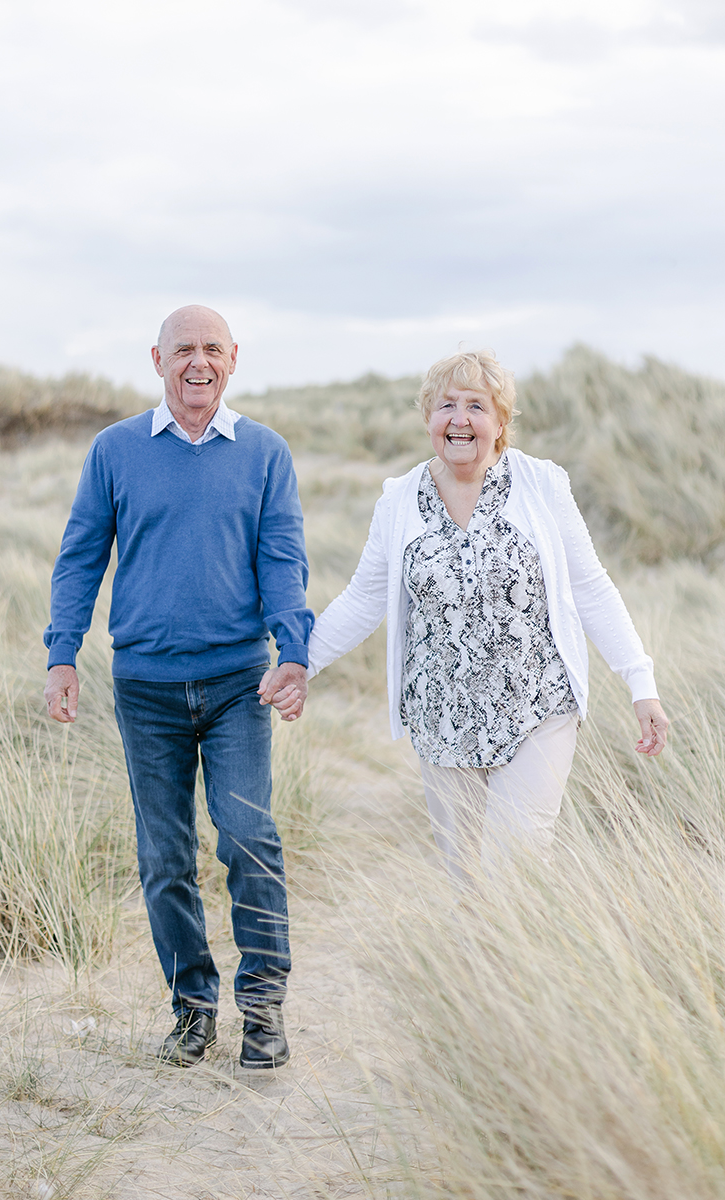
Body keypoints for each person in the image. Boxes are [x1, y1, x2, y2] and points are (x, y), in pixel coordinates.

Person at [44, 304, 312, 1069]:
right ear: (156, 360)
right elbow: (80, 558)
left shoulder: (264, 452)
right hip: (146, 686)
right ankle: (192, 1009)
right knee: (164, 857)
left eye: (211, 350)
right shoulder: (115, 449)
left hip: (237, 683)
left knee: (248, 837)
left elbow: (283, 562)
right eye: (182, 350)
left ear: (234, 359)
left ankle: (263, 1010)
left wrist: (293, 651)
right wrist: (62, 654)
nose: (198, 363)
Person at [307, 350, 668, 887]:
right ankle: (478, 975)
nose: (459, 419)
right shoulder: (399, 501)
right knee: (468, 885)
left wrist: (641, 682)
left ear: (501, 423)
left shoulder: (542, 486)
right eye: (446, 404)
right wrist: (299, 664)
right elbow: (364, 599)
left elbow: (590, 587)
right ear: (428, 417)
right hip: (440, 720)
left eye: (476, 406)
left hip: (536, 709)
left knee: (514, 877)